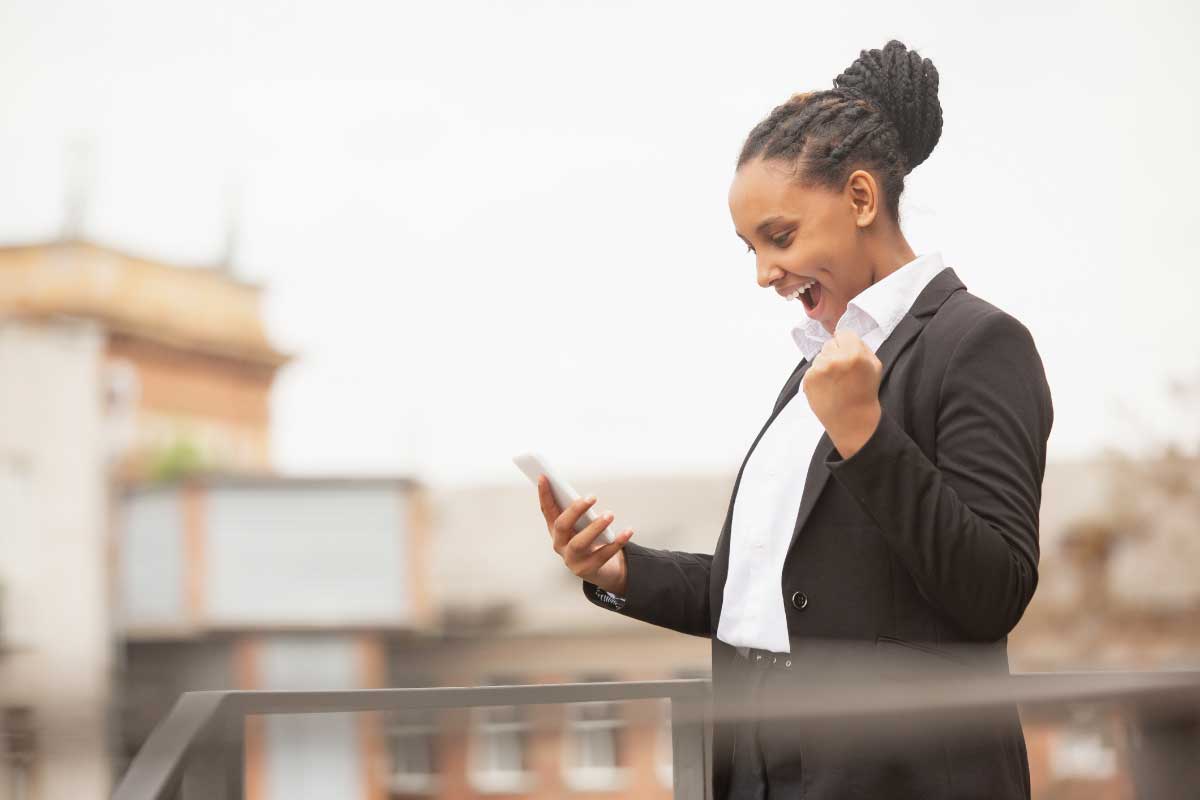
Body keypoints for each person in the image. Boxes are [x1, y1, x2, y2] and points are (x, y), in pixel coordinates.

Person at [534, 39, 1052, 800]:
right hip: (757, 763)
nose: (763, 273)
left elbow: (994, 591)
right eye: (750, 248)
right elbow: (776, 597)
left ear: (862, 200)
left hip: (898, 777)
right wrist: (617, 571)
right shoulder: (818, 365)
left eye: (780, 238)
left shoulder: (977, 344)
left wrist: (866, 435)